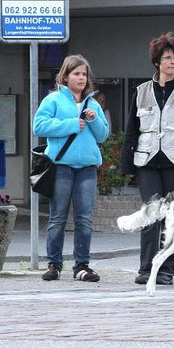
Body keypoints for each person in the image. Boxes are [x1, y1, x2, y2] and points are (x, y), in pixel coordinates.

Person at [121, 32, 174, 286]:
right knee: (151, 213)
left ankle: (167, 271)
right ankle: (146, 268)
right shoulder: (141, 91)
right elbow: (132, 128)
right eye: (167, 58)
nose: (172, 62)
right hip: (147, 161)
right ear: (157, 62)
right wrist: (127, 165)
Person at [33, 54, 109, 282]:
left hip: (86, 167)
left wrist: (94, 120)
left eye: (84, 74)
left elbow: (103, 135)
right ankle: (54, 264)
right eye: (76, 73)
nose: (81, 78)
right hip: (62, 167)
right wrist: (71, 124)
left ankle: (82, 266)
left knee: (84, 219)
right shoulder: (53, 100)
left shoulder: (92, 103)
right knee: (57, 217)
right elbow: (39, 126)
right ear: (65, 77)